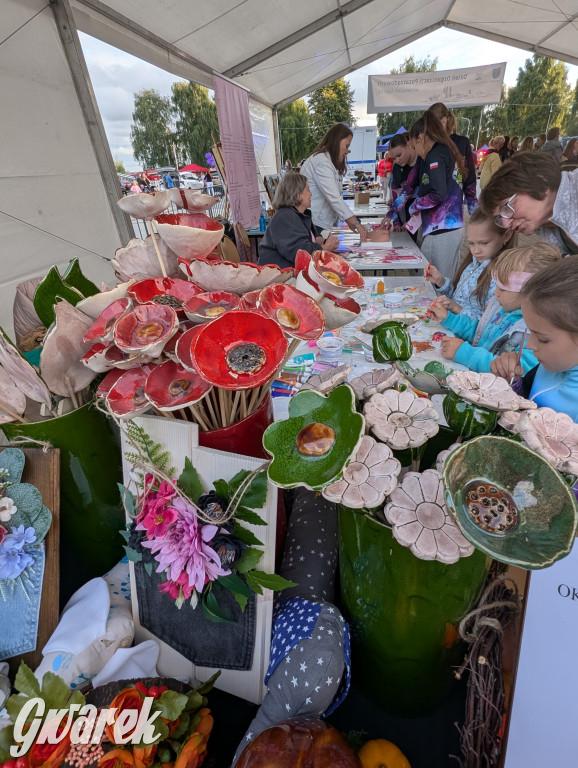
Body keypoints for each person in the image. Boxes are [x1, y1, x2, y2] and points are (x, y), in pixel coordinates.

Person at [427, 243, 561, 373]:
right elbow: (481, 335)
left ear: (530, 294)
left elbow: (514, 371)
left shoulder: (536, 331)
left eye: (502, 289)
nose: (495, 293)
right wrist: (449, 319)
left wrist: (465, 353)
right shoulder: (504, 309)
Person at [490, 256, 578, 421]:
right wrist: (511, 382)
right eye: (530, 333)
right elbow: (526, 400)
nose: (530, 345)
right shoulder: (548, 366)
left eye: (542, 339)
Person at [405, 111, 467, 277]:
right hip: (450, 228)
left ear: (420, 138)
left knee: (433, 283)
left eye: (414, 147)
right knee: (444, 279)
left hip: (441, 231)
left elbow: (438, 194)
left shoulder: (435, 155)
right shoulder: (444, 150)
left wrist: (415, 205)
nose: (417, 152)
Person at [424, 207, 514, 320]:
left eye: (484, 243)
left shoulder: (502, 276)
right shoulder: (472, 264)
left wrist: (455, 307)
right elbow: (458, 298)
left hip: (466, 335)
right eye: (471, 243)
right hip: (453, 327)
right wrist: (441, 282)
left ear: (506, 236)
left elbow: (491, 324)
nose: (476, 250)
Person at [479, 152, 578, 254]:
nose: (506, 224)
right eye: (499, 218)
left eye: (506, 208)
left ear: (539, 183)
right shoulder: (548, 229)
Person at [300, 123, 368, 242]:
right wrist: (354, 222)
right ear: (337, 141)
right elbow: (334, 197)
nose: (347, 151)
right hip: (316, 223)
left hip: (320, 222)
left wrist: (349, 220)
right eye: (346, 146)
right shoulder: (322, 162)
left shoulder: (327, 161)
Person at [257, 172, 339, 269]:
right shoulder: (285, 217)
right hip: (278, 276)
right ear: (298, 194)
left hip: (289, 273)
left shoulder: (298, 215)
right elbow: (300, 253)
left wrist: (326, 242)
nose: (311, 194)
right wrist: (325, 248)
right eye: (308, 190)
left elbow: (308, 241)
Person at [426, 103, 477, 213]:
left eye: (432, 125)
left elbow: (469, 177)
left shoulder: (462, 142)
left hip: (454, 211)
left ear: (443, 121)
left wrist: (472, 206)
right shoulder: (431, 144)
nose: (429, 129)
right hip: (432, 213)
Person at [389, 133, 417, 202]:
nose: (397, 160)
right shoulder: (397, 167)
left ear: (408, 145)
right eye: (394, 158)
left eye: (399, 155)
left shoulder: (423, 161)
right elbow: (395, 193)